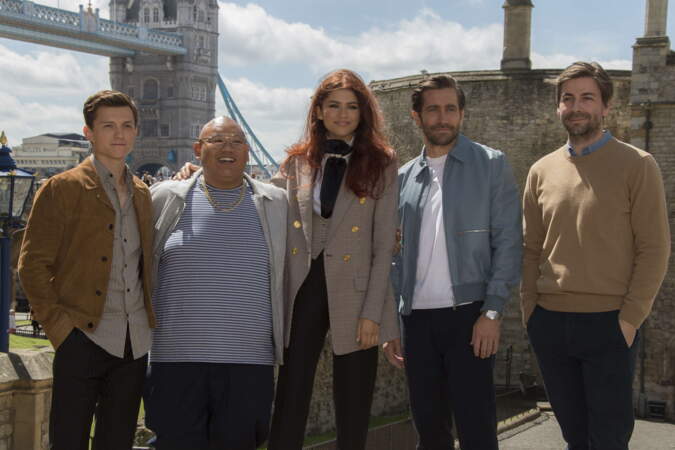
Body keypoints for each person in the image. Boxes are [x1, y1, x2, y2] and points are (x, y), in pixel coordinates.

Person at [521, 61, 670, 450]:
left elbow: (654, 248)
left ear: (605, 106)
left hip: (609, 324)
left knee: (608, 440)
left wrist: (629, 319)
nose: (576, 106)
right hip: (550, 323)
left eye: (587, 97)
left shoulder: (637, 165)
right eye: (567, 99)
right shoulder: (541, 170)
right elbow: (530, 247)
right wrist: (530, 311)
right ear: (558, 108)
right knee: (574, 436)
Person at [387, 74, 521, 450]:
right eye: (433, 109)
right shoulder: (402, 179)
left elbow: (509, 243)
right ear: (417, 116)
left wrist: (492, 312)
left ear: (461, 114)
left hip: (470, 315)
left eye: (450, 109)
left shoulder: (491, 164)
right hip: (417, 321)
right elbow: (392, 258)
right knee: (429, 432)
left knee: (477, 430)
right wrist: (393, 322)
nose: (442, 117)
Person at [268, 68, 399, 450]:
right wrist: (202, 175)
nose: (343, 114)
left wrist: (374, 312)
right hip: (304, 285)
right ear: (319, 111)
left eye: (352, 106)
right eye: (334, 105)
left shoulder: (383, 162)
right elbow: (265, 202)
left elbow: (381, 246)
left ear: (363, 112)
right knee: (291, 393)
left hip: (357, 294)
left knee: (354, 399)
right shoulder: (296, 162)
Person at [18, 90, 156, 450]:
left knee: (117, 442)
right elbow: (32, 265)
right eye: (108, 126)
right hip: (82, 337)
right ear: (88, 132)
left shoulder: (143, 193)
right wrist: (62, 331)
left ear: (136, 132)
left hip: (134, 341)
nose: (119, 134)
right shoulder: (61, 188)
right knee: (68, 441)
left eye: (127, 125)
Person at [145, 117, 287, 449]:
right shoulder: (162, 198)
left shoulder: (277, 204)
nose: (228, 148)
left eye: (237, 141)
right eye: (217, 140)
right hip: (173, 362)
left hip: (249, 364)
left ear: (248, 151)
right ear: (198, 149)